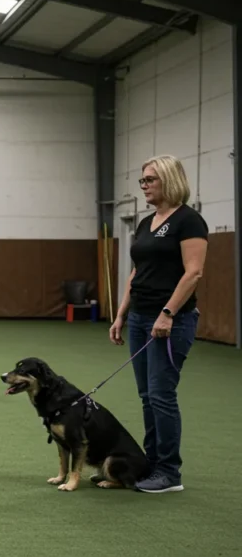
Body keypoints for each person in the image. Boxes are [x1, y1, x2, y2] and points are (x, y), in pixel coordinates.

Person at [110, 154, 207, 494]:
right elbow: (136, 272)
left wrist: (167, 313)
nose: (144, 186)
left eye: (150, 179)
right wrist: (122, 312)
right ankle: (151, 464)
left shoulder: (189, 221)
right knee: (146, 396)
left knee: (161, 395)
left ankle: (169, 472)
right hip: (138, 317)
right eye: (142, 181)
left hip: (170, 321)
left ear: (169, 179)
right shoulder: (146, 222)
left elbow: (193, 272)